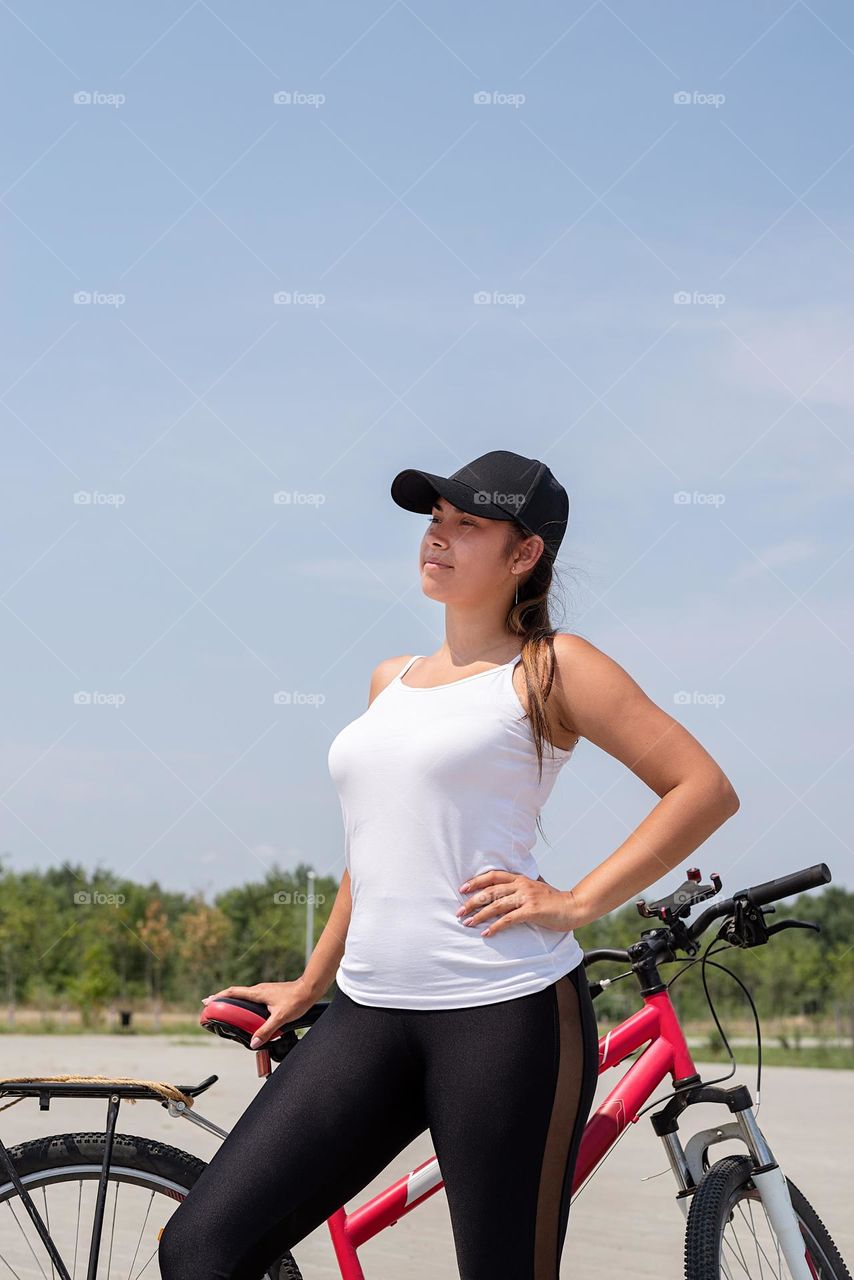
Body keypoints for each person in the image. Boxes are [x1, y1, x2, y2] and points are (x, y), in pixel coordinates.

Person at [159, 449, 740, 1279]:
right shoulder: (389, 680)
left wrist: (575, 902)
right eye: (436, 520)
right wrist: (312, 981)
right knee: (201, 1250)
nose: (439, 536)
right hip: (369, 1015)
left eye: (468, 523)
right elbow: (374, 847)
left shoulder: (551, 667)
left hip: (504, 1015)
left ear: (524, 552)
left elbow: (701, 788)